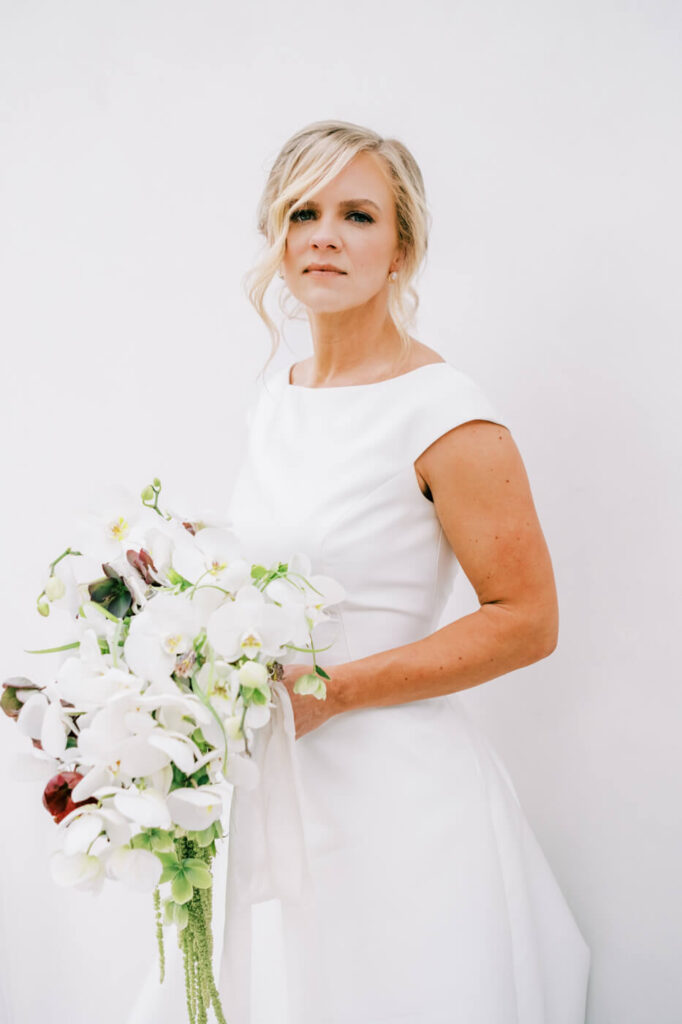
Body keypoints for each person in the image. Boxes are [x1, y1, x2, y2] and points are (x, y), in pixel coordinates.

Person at [218, 119, 592, 1023]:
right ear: (277, 235)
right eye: (303, 212)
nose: (325, 236)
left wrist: (336, 692)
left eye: (358, 215)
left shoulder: (445, 413)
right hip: (281, 790)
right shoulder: (283, 393)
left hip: (399, 805)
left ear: (402, 249)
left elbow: (527, 618)